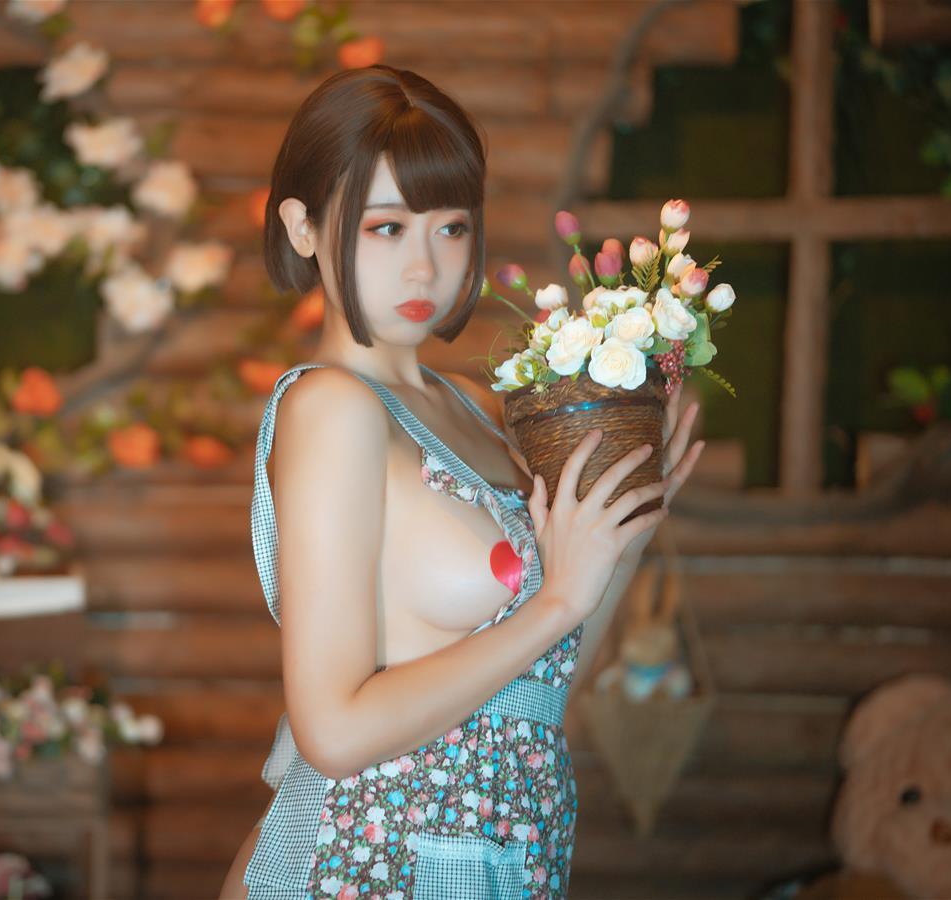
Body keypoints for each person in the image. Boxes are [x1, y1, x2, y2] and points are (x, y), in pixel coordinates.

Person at [218, 65, 705, 899]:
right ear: (303, 227)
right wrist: (557, 603)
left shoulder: (476, 409)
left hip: (505, 858)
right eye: (386, 228)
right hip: (364, 866)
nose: (424, 268)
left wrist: (622, 534)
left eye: (450, 228)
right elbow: (333, 732)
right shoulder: (332, 408)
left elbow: (543, 686)